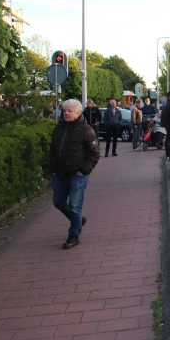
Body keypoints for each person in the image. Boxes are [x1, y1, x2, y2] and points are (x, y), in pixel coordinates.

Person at [49, 99, 100, 249]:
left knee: (74, 205)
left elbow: (95, 153)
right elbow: (53, 150)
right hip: (59, 173)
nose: (66, 113)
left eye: (69, 111)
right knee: (58, 202)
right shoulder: (59, 128)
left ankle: (73, 234)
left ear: (78, 113)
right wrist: (52, 168)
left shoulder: (86, 130)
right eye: (65, 110)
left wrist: (83, 170)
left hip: (77, 174)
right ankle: (78, 220)